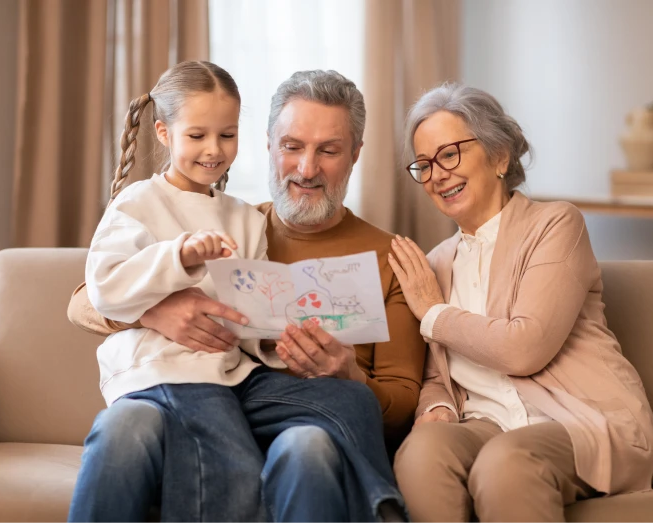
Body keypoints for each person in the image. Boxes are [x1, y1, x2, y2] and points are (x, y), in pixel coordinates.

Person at [67, 67, 424, 523]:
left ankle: (382, 506)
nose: (307, 168)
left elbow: (399, 400)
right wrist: (160, 312)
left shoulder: (383, 256)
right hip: (194, 383)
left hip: (261, 391)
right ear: (270, 146)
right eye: (292, 147)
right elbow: (88, 296)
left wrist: (345, 372)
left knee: (327, 425)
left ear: (355, 154)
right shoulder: (236, 217)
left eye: (328, 151)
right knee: (129, 427)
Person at [388, 82, 653, 523]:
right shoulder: (434, 266)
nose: (437, 175)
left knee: (507, 462)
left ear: (499, 156)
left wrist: (433, 312)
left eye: (449, 155)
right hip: (486, 425)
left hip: (581, 422)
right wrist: (438, 407)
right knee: (420, 454)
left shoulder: (556, 224)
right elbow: (437, 375)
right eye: (423, 164)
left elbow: (524, 349)